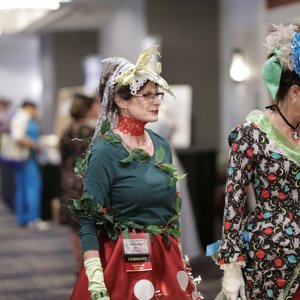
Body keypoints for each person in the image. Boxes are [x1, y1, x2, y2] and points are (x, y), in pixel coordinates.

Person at [69, 46, 201, 300]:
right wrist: (95, 276)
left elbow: (171, 212)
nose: (157, 101)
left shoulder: (161, 144)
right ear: (121, 101)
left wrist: (178, 256)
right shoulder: (107, 150)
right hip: (121, 262)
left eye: (157, 94)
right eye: (146, 95)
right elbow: (88, 218)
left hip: (164, 258)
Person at [207, 23, 300, 300]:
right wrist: (231, 268)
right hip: (269, 257)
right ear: (294, 93)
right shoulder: (252, 132)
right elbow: (233, 202)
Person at [59, 93, 99, 274]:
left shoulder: (67, 130)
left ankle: (79, 266)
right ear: (88, 108)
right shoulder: (90, 132)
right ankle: (88, 267)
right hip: (85, 182)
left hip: (68, 181)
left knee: (74, 228)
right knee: (88, 227)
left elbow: (62, 157)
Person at [10, 101, 49, 231]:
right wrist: (36, 146)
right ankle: (33, 219)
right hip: (26, 158)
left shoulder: (20, 117)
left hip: (24, 158)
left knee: (22, 188)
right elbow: (18, 138)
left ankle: (23, 217)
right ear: (30, 108)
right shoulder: (22, 117)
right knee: (34, 186)